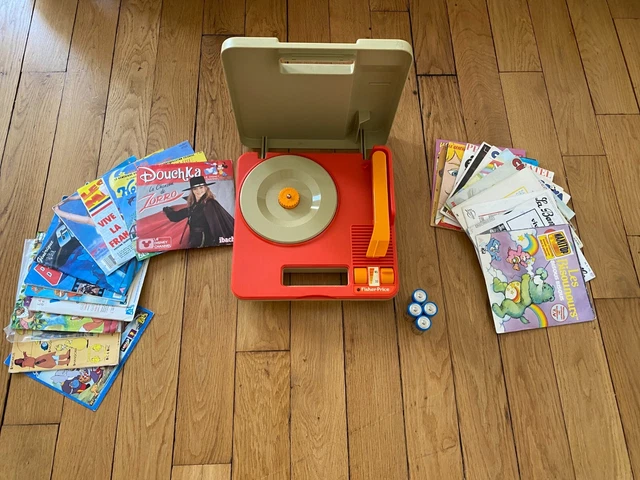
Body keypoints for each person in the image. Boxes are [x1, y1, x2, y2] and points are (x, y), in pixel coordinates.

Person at [163, 176, 234, 248]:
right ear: (192, 191)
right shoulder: (194, 206)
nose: (198, 191)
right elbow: (175, 217)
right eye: (195, 189)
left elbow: (216, 225)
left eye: (201, 187)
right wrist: (167, 211)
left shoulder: (210, 204)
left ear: (206, 188)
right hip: (195, 239)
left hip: (204, 240)